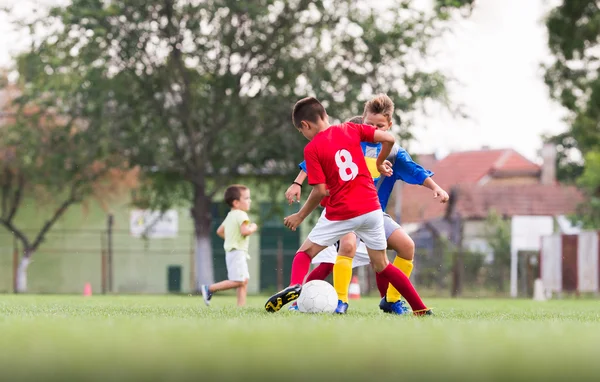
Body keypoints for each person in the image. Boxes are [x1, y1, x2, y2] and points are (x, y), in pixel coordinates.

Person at [263, 96, 431, 316]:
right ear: (324, 115)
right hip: (372, 209)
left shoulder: (312, 149)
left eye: (301, 131)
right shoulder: (351, 129)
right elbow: (389, 138)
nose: (303, 135)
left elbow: (320, 191)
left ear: (305, 125)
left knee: (305, 253)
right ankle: (420, 308)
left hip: (342, 211)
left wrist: (300, 215)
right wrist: (379, 162)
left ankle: (295, 285)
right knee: (383, 265)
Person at [201, 185, 257, 307]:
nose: (249, 201)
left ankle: (240, 307)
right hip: (237, 252)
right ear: (236, 202)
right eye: (247, 198)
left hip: (232, 251)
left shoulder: (230, 215)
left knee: (244, 281)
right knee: (239, 281)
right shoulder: (242, 215)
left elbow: (219, 231)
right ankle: (210, 289)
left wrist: (231, 239)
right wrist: (253, 227)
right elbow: (244, 231)